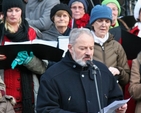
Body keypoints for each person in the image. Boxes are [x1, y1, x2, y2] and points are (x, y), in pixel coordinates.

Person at [36, 28, 127, 113]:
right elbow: (45, 109)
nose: (88, 53)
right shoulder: (52, 75)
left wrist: (118, 108)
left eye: (91, 48)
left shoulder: (102, 70)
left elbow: (115, 97)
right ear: (70, 48)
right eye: (82, 48)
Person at [0, 0, 48, 112]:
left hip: (29, 95)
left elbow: (43, 68)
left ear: (22, 12)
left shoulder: (32, 32)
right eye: (10, 10)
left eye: (17, 10)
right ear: (4, 12)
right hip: (4, 98)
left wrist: (30, 61)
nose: (13, 14)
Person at [89, 5, 130, 91]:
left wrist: (118, 71)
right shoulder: (86, 45)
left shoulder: (116, 46)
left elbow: (126, 78)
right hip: (92, 93)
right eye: (100, 21)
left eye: (107, 21)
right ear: (92, 23)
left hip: (113, 94)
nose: (104, 24)